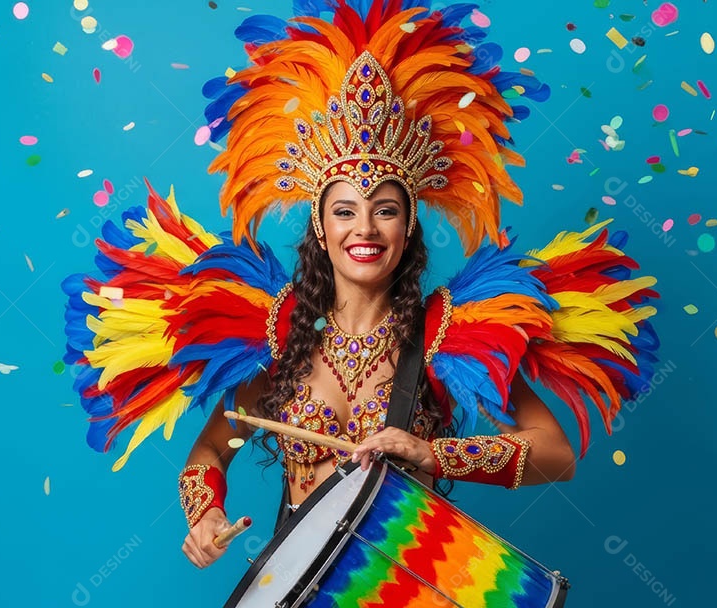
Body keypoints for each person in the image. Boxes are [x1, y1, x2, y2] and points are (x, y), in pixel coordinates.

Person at [61, 0, 659, 582]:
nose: (365, 228)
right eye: (345, 210)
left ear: (408, 226)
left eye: (385, 210)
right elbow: (212, 452)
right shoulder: (278, 339)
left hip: (410, 584)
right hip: (304, 585)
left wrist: (435, 456)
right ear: (321, 226)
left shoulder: (449, 339)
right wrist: (206, 515)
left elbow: (557, 454)